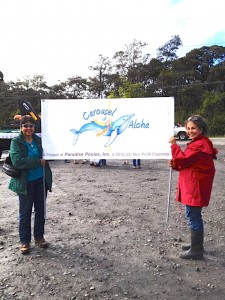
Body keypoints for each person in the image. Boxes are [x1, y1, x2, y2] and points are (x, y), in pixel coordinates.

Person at [169, 115, 218, 260]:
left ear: (201, 129)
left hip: (195, 186)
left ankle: (196, 250)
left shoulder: (199, 145)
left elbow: (184, 160)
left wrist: (174, 145)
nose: (190, 131)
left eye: (194, 128)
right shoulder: (200, 143)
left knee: (193, 216)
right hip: (194, 184)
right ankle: (195, 244)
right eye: (188, 128)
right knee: (193, 215)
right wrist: (175, 164)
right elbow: (187, 162)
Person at [8, 116, 52, 254]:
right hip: (25, 182)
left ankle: (39, 237)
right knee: (25, 213)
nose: (28, 128)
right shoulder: (16, 142)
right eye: (25, 126)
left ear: (34, 128)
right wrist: (38, 161)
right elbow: (18, 161)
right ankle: (25, 241)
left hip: (41, 180)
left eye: (31, 126)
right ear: (20, 128)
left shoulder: (39, 140)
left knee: (40, 211)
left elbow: (50, 152)